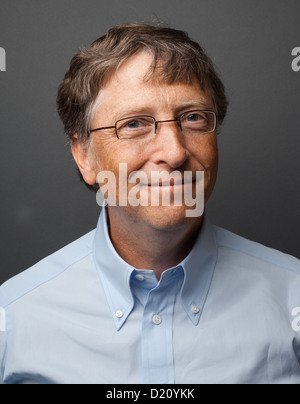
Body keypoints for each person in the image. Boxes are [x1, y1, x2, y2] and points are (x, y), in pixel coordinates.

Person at [0, 24, 299, 385]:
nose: (174, 153)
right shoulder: (13, 319)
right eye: (135, 124)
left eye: (193, 117)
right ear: (84, 155)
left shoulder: (291, 299)